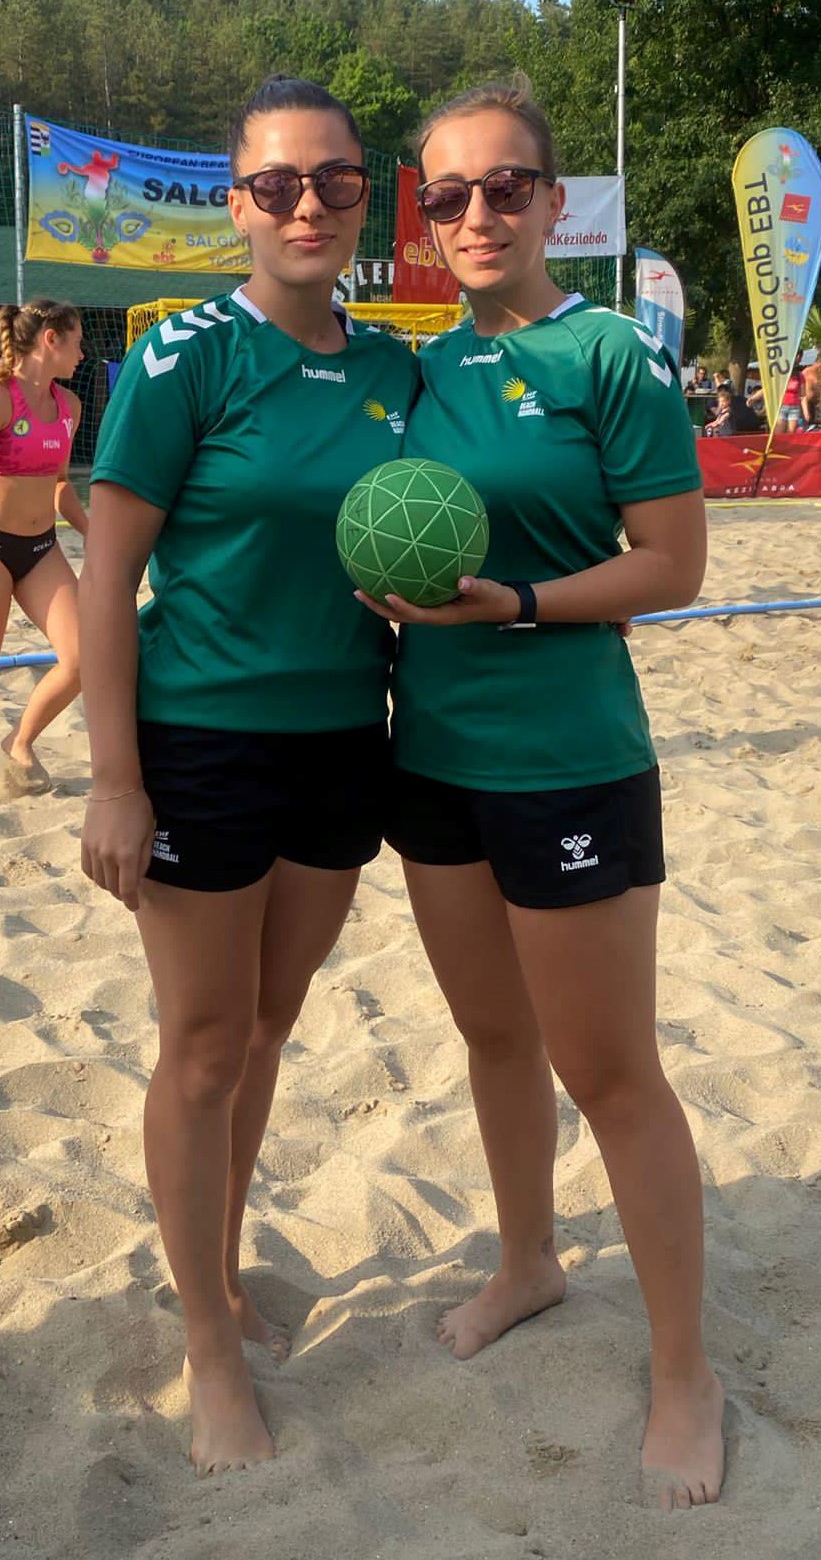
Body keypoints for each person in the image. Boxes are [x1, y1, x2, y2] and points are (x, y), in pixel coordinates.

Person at [356, 81, 723, 1510]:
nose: (476, 214)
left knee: (611, 1072)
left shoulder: (608, 353)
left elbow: (671, 566)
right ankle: (527, 1260)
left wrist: (514, 600)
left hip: (569, 756)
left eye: (505, 187)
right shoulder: (417, 370)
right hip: (431, 758)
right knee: (491, 1035)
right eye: (447, 194)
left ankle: (683, 1370)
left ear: (554, 203)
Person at [79, 74, 418, 1477]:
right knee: (206, 1044)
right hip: (201, 742)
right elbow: (106, 578)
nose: (306, 206)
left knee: (271, 1025)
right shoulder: (183, 356)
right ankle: (208, 1341)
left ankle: (213, 1267)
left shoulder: (395, 368)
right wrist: (114, 777)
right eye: (276, 184)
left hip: (343, 737)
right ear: (236, 205)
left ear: (362, 196)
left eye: (333, 180)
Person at [0, 298, 86, 793]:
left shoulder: (68, 406)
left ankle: (19, 742)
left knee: (82, 658)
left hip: (41, 548)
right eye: (76, 342)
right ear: (50, 340)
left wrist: (94, 534)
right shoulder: (3, 398)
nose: (82, 353)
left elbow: (60, 483)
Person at [779, 360, 804, 433]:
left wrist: (805, 412)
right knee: (779, 432)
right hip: (782, 407)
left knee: (790, 433)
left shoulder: (800, 376)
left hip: (794, 408)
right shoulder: (781, 375)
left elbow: (803, 395)